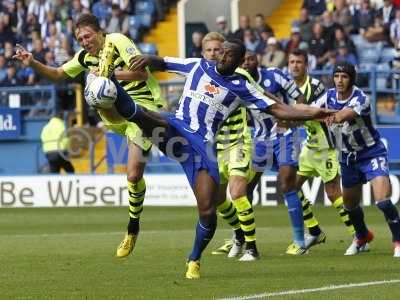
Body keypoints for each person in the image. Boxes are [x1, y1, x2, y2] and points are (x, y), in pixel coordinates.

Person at [124, 39, 334, 278]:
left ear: (239, 60)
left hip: (220, 144)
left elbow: (278, 108)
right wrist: (149, 59)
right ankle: (109, 91)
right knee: (146, 116)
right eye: (219, 52)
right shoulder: (198, 66)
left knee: (222, 202)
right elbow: (163, 62)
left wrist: (312, 113)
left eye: (228, 54)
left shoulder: (243, 84)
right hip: (189, 134)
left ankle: (220, 254)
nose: (221, 57)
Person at [13, 13, 166, 259]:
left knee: (133, 174)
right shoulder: (85, 57)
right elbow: (56, 74)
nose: (84, 41)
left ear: (100, 32)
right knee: (93, 83)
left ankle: (132, 228)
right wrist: (31, 61)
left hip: (142, 109)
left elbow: (142, 75)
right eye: (80, 38)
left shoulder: (116, 40)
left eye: (87, 36)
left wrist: (109, 76)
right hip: (114, 116)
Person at [315, 61, 400, 257]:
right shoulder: (327, 97)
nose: (339, 80)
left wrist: (330, 116)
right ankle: (362, 237)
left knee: (383, 201)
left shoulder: (361, 97)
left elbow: (347, 114)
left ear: (351, 79)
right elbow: (310, 109)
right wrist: (289, 113)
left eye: (344, 76)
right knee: (350, 205)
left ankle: (398, 240)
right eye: (336, 76)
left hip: (371, 153)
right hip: (347, 157)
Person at [237, 50, 309, 255]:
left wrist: (292, 118)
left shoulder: (275, 75)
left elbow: (300, 96)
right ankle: (243, 238)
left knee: (287, 183)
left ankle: (300, 241)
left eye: (251, 58)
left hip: (285, 136)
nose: (247, 62)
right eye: (243, 60)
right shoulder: (238, 83)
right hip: (259, 139)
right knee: (245, 186)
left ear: (257, 59)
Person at [288, 49, 357, 254]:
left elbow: (321, 114)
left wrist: (297, 116)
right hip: (310, 146)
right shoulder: (289, 87)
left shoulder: (316, 87)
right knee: (291, 187)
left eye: (299, 62)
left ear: (306, 65)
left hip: (327, 146)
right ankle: (315, 230)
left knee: (333, 192)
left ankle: (358, 235)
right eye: (292, 62)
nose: (295, 65)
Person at [201, 32, 259, 261]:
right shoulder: (201, 75)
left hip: (237, 142)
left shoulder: (241, 76)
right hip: (214, 148)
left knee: (237, 192)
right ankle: (238, 234)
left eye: (220, 50)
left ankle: (252, 248)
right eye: (211, 51)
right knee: (216, 199)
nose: (217, 54)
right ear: (203, 53)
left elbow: (262, 97)